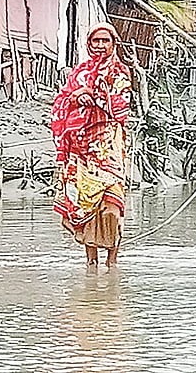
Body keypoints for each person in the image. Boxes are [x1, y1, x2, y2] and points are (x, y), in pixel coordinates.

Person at [52, 22, 132, 273]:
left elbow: (120, 107)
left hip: (107, 144)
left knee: (112, 206)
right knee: (85, 204)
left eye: (105, 41)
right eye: (95, 41)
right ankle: (91, 262)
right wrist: (77, 96)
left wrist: (93, 95)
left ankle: (112, 261)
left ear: (113, 43)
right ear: (89, 43)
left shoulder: (120, 72)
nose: (100, 45)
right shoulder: (80, 71)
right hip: (81, 147)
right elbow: (62, 100)